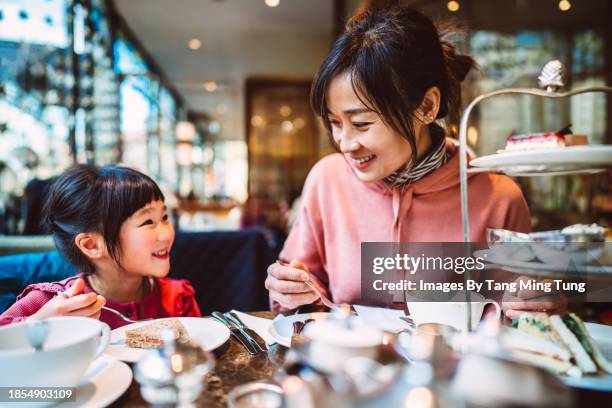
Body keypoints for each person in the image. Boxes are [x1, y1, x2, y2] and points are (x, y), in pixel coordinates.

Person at [265, 5, 565, 318]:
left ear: (426, 106)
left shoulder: (498, 197)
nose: (345, 143)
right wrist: (290, 290)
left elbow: (519, 314)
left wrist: (533, 305)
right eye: (335, 123)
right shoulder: (327, 181)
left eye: (362, 123)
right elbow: (299, 297)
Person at [0, 165, 201, 329]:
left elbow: (196, 358)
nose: (167, 232)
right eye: (148, 222)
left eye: (164, 218)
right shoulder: (57, 302)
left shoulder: (178, 298)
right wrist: (39, 323)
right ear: (91, 245)